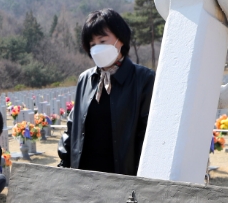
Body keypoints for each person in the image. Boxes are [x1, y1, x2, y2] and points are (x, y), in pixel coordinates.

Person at [58, 9, 155, 175]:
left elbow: (147, 134)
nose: (97, 48)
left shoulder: (143, 79)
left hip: (124, 178)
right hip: (84, 176)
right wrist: (64, 166)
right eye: (92, 44)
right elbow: (72, 127)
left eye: (102, 40)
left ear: (120, 39)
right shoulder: (86, 79)